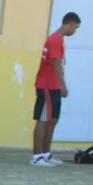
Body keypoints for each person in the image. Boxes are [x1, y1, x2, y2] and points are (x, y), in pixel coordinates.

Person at [31, 11, 81, 167]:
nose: (75, 31)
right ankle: (37, 156)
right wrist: (63, 85)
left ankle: (46, 154)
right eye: (76, 27)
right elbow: (56, 63)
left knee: (52, 120)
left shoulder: (59, 40)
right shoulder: (54, 40)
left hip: (54, 87)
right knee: (43, 120)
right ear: (70, 24)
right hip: (47, 86)